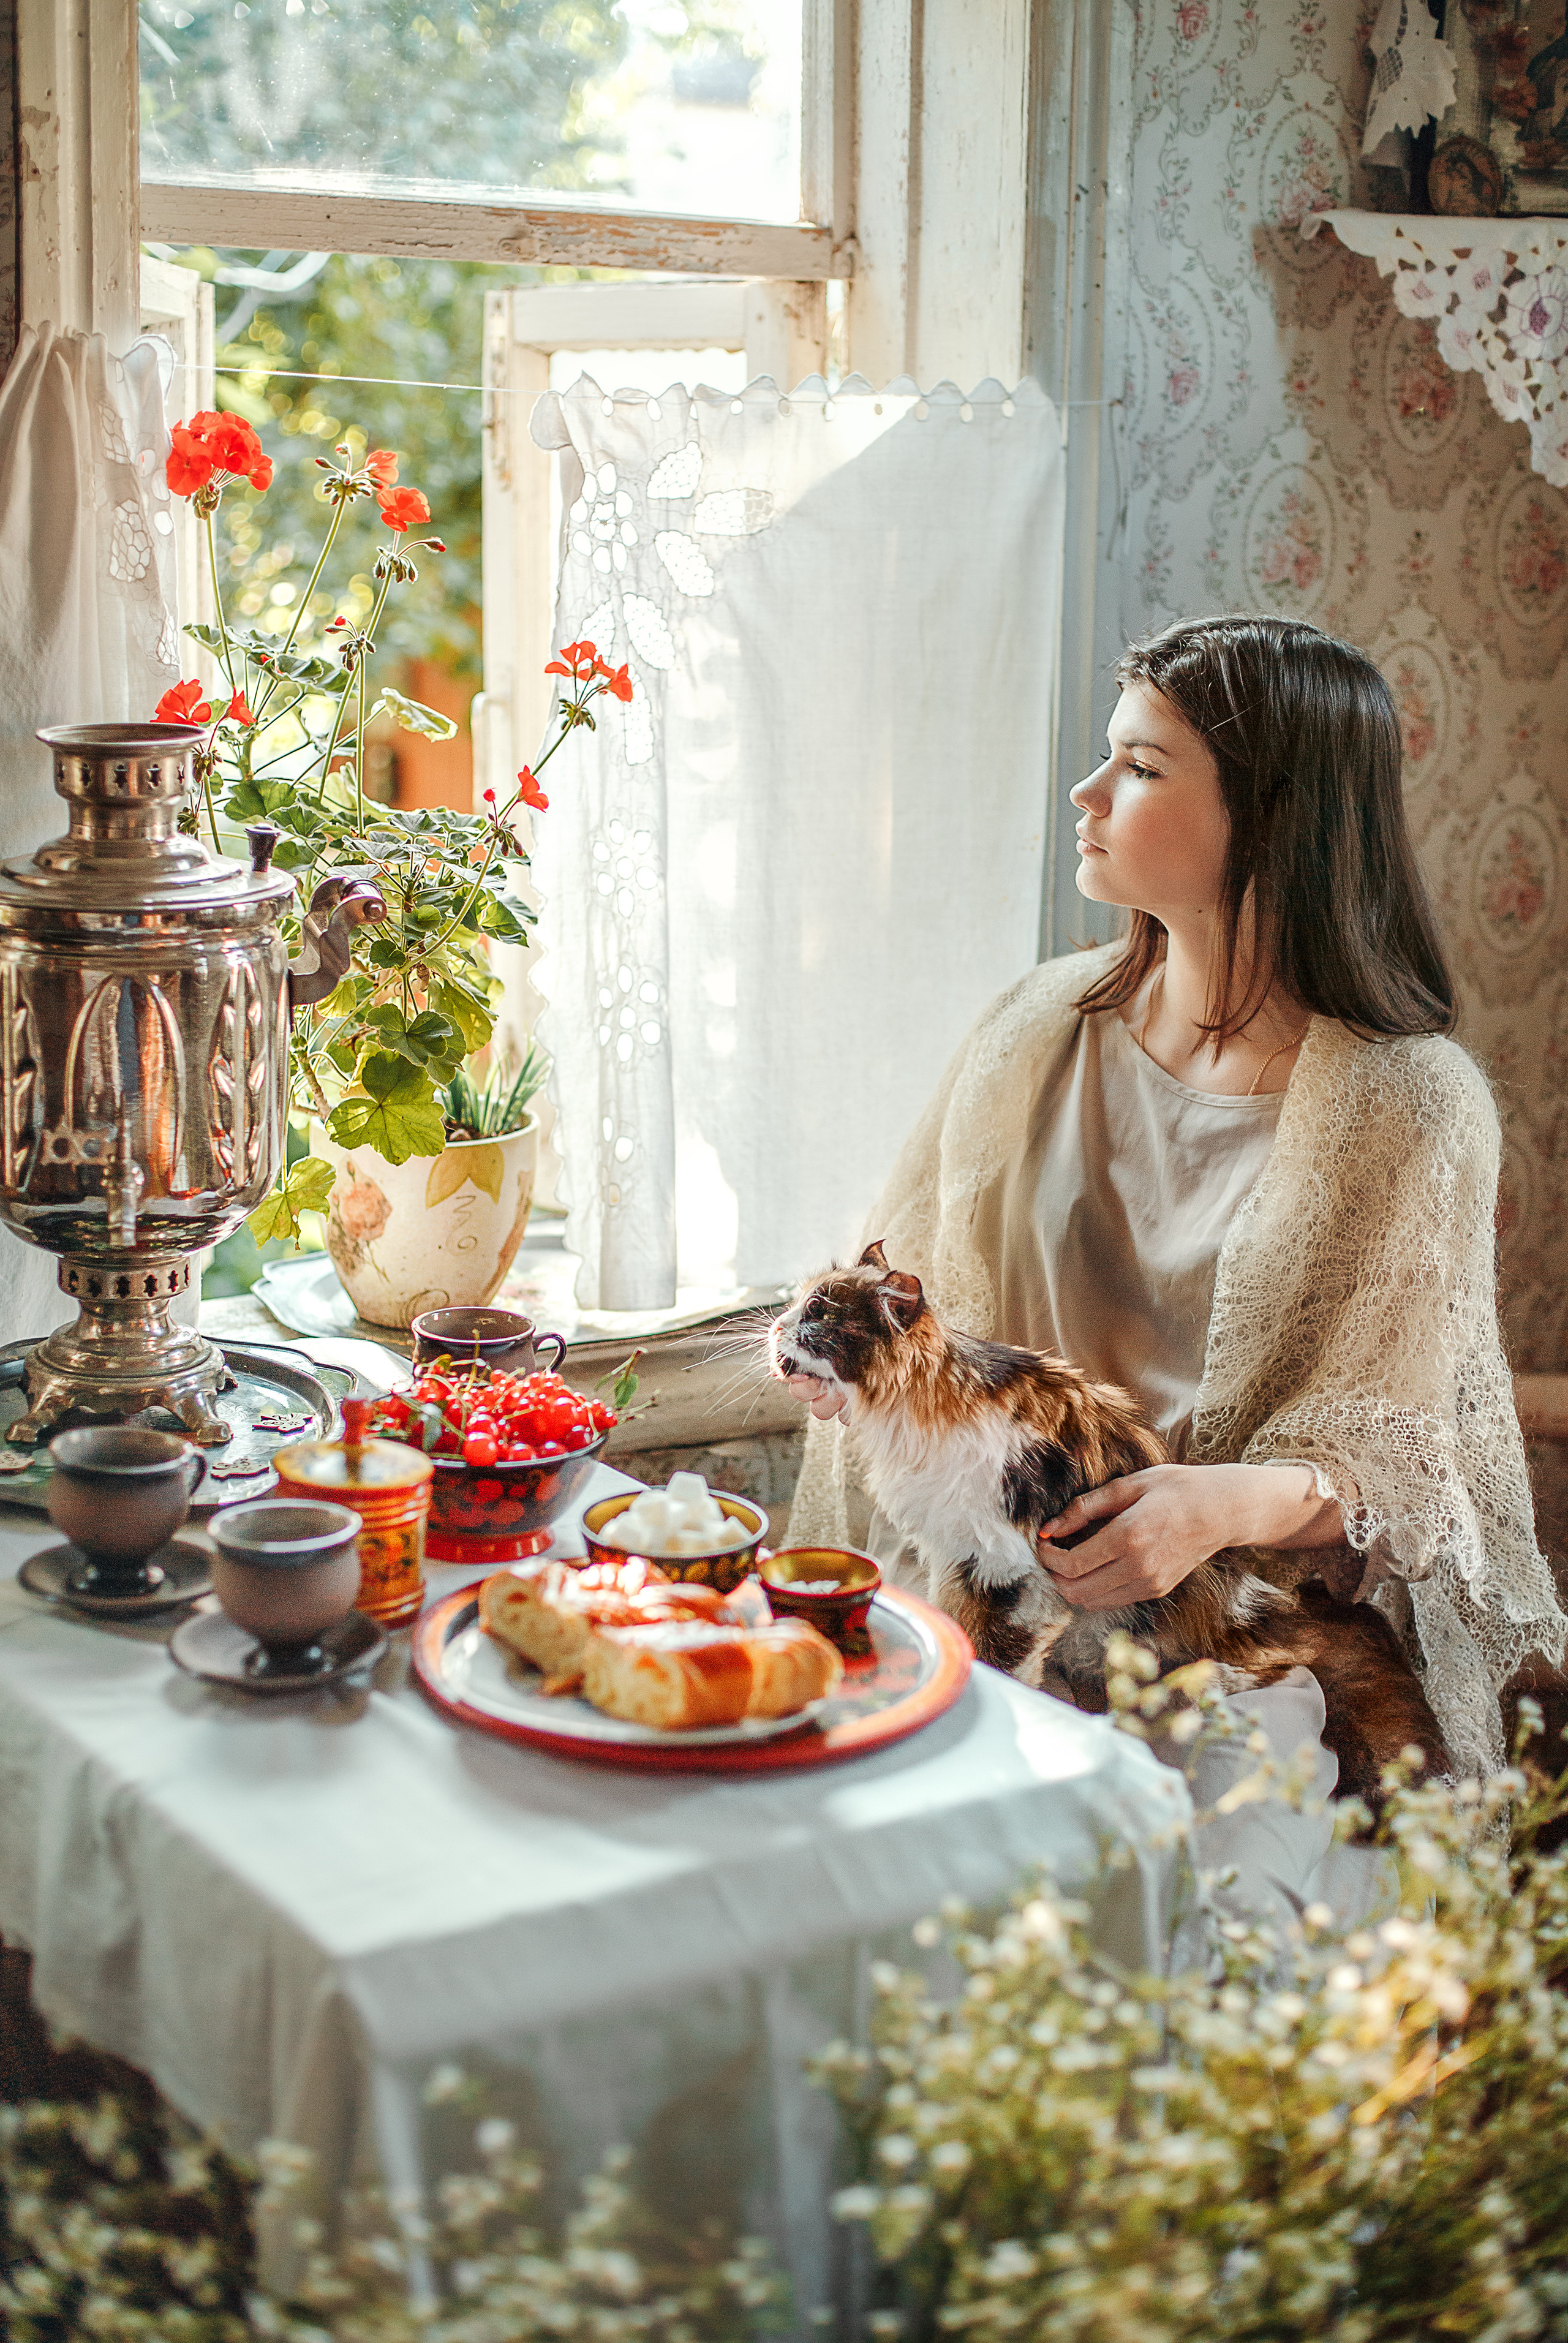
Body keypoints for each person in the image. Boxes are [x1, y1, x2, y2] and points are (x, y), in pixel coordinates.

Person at [785, 614, 1565, 1805]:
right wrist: (856, 1370)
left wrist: (1208, 1508)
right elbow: (911, 1286)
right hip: (988, 1593)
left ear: (1270, 814)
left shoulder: (1409, 1106)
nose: (1085, 791)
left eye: (1140, 766)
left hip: (1238, 1638)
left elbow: (1407, 1451)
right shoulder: (1033, 1028)